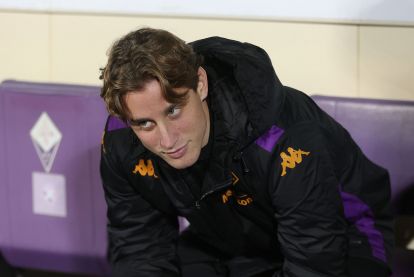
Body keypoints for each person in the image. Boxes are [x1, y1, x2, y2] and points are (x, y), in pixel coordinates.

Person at [99, 27, 394, 277]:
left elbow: (315, 257)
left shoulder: (284, 135)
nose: (166, 140)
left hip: (346, 236)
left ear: (200, 84)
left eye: (174, 111)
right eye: (145, 124)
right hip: (234, 240)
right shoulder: (122, 140)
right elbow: (140, 246)